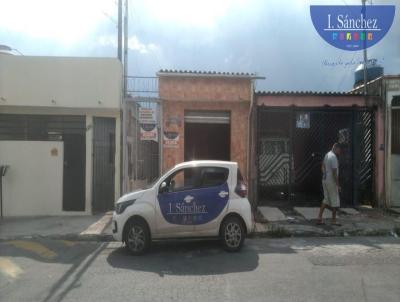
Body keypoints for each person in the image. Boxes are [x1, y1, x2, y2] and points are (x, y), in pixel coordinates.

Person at [317, 143, 341, 226]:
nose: (340, 152)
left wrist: (325, 174)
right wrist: (338, 185)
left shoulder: (327, 154)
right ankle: (333, 220)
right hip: (331, 181)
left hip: (325, 180)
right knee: (335, 200)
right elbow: (334, 172)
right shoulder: (333, 157)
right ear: (336, 148)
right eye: (339, 150)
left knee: (326, 199)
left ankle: (319, 218)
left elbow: (322, 166)